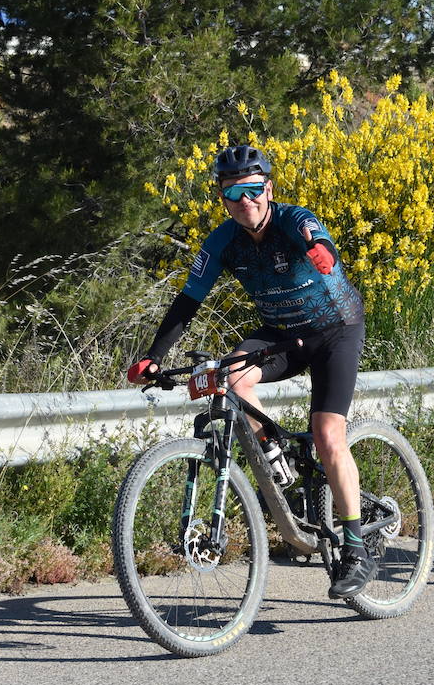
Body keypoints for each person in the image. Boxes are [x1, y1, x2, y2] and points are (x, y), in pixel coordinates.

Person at [127, 144, 377, 598]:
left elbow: (315, 238)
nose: (245, 201)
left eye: (252, 190)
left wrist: (321, 253)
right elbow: (188, 302)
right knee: (231, 377)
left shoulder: (293, 219)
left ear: (268, 188)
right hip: (282, 334)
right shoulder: (222, 242)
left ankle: (357, 549)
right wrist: (155, 355)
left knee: (327, 434)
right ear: (222, 199)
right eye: (232, 193)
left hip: (335, 331)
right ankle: (279, 466)